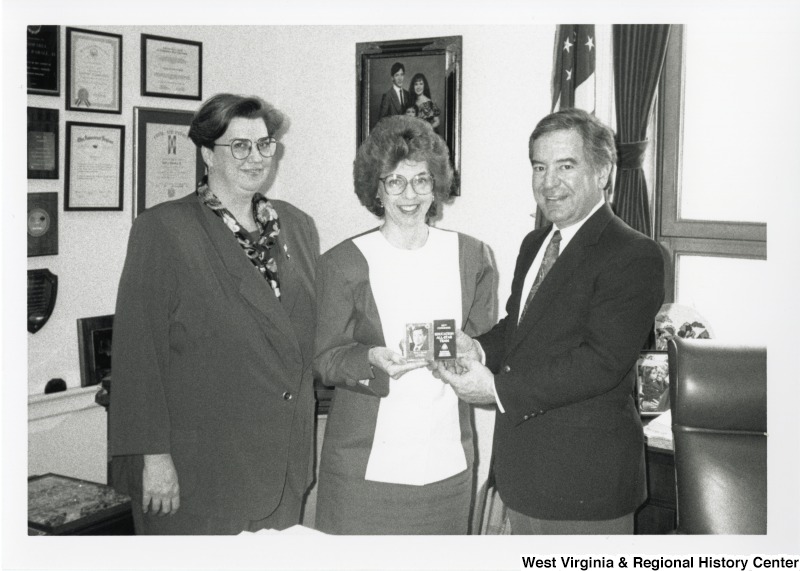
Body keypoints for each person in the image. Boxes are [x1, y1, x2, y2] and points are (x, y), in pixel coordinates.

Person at [435, 108, 665, 535]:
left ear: (603, 172)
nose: (548, 182)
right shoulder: (535, 242)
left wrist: (496, 388)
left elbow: (601, 362)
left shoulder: (635, 255)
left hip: (585, 486)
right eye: (539, 167)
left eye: (565, 166)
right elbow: (519, 329)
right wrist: (479, 347)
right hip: (525, 475)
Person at [109, 93, 319, 535]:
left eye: (264, 144)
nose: (255, 157)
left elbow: (307, 333)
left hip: (282, 461)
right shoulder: (164, 230)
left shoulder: (296, 227)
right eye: (238, 146)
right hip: (200, 469)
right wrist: (155, 458)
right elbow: (137, 353)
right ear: (207, 153)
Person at [313, 115, 496, 534]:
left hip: (447, 466)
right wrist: (370, 359)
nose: (409, 194)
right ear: (375, 189)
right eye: (394, 181)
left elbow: (484, 341)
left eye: (421, 180)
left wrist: (471, 355)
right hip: (366, 470)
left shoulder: (472, 256)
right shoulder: (343, 263)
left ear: (437, 185)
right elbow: (324, 359)